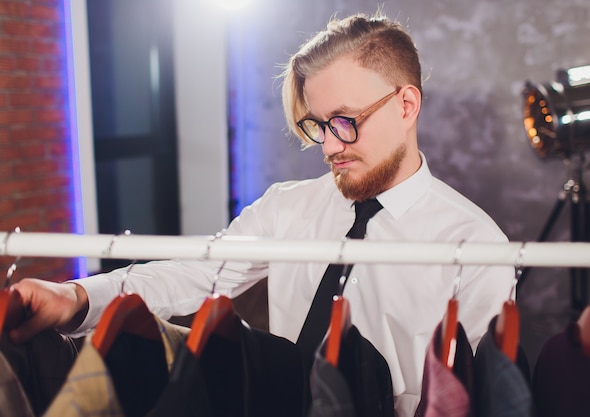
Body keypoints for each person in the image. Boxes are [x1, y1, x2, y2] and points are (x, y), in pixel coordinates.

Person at [9, 12, 513, 417]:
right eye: (319, 125)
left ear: (406, 106)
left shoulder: (474, 244)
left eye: (345, 122)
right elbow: (199, 274)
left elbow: (472, 395)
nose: (329, 146)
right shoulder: (287, 206)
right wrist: (74, 297)